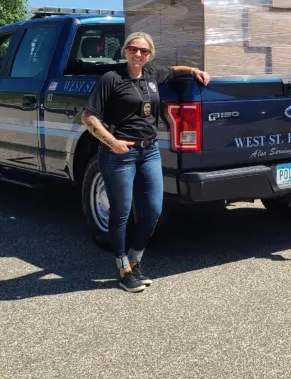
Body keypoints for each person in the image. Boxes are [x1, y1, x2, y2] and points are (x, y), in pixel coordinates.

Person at [81, 32, 210, 292]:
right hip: (119, 155)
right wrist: (112, 142)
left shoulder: (152, 75)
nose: (138, 54)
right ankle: (123, 268)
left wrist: (194, 70)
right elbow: (88, 117)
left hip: (149, 151)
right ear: (125, 51)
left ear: (150, 54)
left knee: (152, 209)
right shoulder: (112, 79)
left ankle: (135, 259)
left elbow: (174, 71)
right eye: (133, 49)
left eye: (144, 51)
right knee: (121, 212)